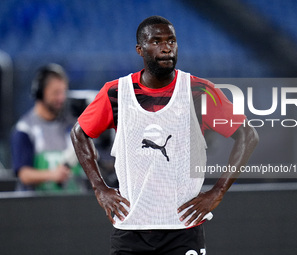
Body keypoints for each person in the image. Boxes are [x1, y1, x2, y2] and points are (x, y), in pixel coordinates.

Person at [71, 16, 259, 254]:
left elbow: (248, 136)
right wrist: (100, 188)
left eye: (171, 40)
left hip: (183, 229)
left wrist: (217, 192)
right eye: (156, 41)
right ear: (140, 49)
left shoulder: (198, 91)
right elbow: (79, 133)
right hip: (131, 229)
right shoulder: (116, 92)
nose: (166, 46)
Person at [11, 63, 85, 192]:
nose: (61, 98)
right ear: (40, 93)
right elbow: (23, 174)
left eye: (63, 92)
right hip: (39, 206)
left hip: (72, 204)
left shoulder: (72, 125)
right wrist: (53, 175)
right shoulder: (25, 129)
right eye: (56, 93)